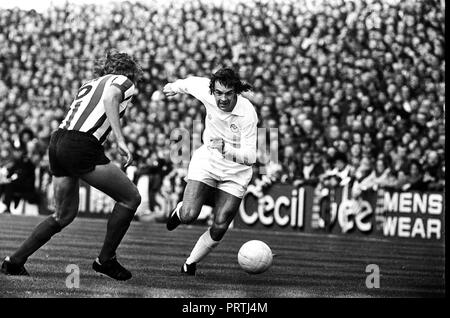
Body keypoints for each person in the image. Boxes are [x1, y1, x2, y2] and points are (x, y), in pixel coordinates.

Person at [1, 51, 143, 281]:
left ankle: (13, 261)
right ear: (130, 70)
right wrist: (120, 140)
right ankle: (105, 259)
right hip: (80, 144)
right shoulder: (123, 81)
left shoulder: (90, 83)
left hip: (58, 140)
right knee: (130, 198)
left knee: (63, 215)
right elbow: (109, 99)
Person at [162, 67, 258, 275]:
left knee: (221, 223)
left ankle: (190, 263)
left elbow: (251, 157)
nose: (222, 98)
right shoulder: (206, 90)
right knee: (189, 215)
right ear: (213, 90)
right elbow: (189, 82)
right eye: (218, 93)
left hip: (237, 171)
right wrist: (173, 87)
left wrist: (227, 150)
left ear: (237, 92)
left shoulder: (247, 113)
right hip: (207, 161)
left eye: (228, 93)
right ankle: (181, 210)